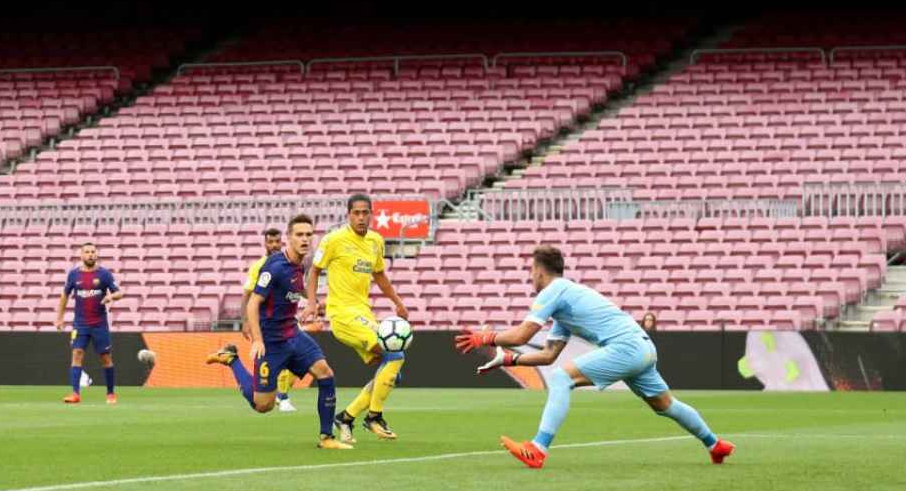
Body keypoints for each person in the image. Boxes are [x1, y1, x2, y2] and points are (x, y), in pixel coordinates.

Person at [454, 245, 734, 469]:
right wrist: (508, 360)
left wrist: (486, 338)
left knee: (563, 377)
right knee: (665, 405)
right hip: (643, 347)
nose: (530, 276)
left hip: (626, 346)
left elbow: (522, 336)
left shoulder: (554, 290)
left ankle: (537, 449)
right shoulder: (567, 301)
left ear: (540, 271)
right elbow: (548, 355)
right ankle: (715, 444)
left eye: (531, 270)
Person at [207, 214, 352, 450]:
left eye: (309, 234)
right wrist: (257, 339)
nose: (305, 239)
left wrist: (313, 302)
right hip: (271, 341)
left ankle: (327, 437)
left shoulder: (300, 264)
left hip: (292, 333)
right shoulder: (274, 267)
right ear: (289, 238)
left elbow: (297, 289)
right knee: (263, 405)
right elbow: (254, 303)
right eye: (299, 235)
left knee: (325, 373)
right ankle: (232, 359)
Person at [306, 193, 409, 442]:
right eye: (356, 213)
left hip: (364, 314)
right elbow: (314, 270)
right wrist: (311, 303)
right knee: (395, 355)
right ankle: (373, 417)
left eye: (365, 213)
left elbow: (380, 276)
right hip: (342, 315)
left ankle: (346, 418)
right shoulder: (334, 240)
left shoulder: (376, 241)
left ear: (371, 214)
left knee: (392, 371)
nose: (361, 217)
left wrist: (397, 302)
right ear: (348, 215)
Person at [54, 242, 123, 405]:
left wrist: (110, 297)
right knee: (76, 354)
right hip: (80, 324)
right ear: (81, 255)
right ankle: (75, 393)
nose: (90, 254)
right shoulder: (73, 275)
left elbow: (119, 292)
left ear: (96, 254)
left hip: (99, 324)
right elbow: (64, 296)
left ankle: (111, 393)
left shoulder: (104, 274)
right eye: (87, 252)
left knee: (105, 358)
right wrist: (60, 317)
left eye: (93, 252)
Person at [244, 227, 298, 412]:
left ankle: (283, 396)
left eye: (277, 241)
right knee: (262, 401)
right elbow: (248, 295)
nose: (274, 245)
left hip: (285, 323)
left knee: (296, 360)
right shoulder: (259, 267)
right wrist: (246, 322)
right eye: (270, 242)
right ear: (265, 243)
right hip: (265, 326)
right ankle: (279, 396)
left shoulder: (289, 263)